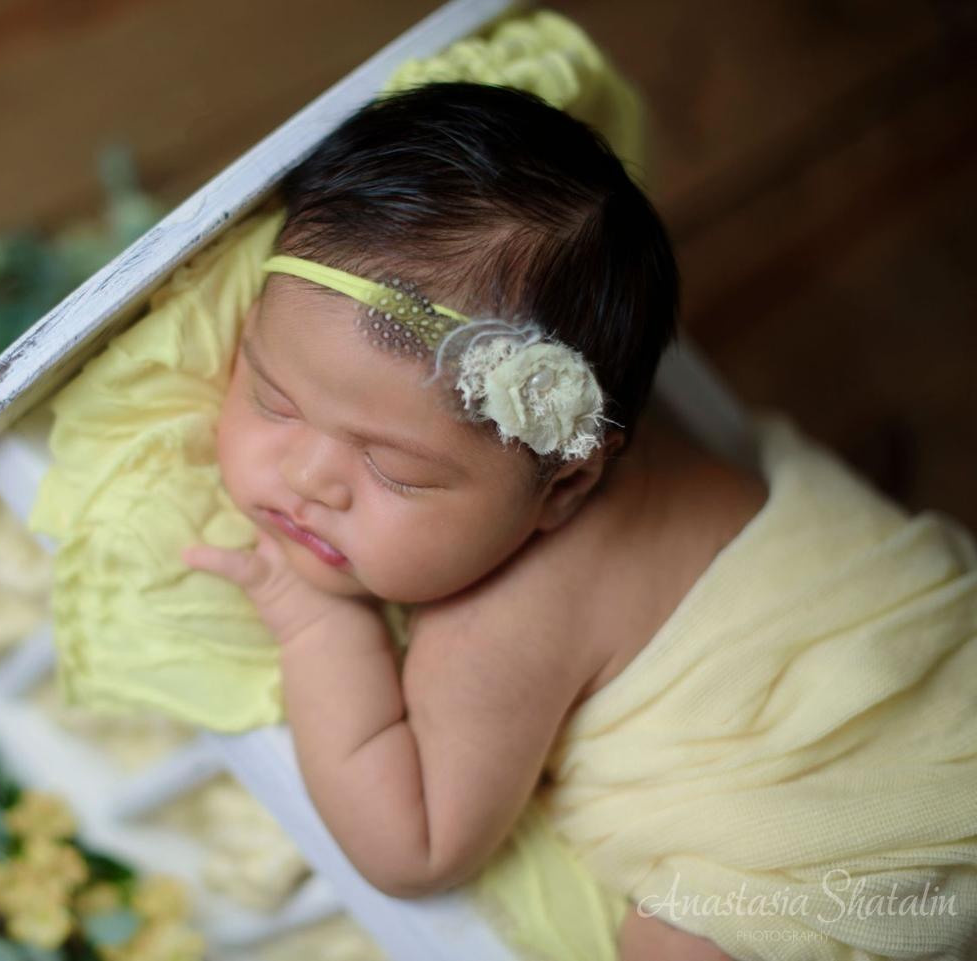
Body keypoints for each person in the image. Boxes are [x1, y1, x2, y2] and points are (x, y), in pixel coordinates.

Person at [182, 80, 758, 961]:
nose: (308, 478)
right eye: (273, 395)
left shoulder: (507, 616)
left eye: (396, 468)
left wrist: (312, 621)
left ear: (562, 489)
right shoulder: (656, 456)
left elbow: (414, 849)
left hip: (862, 799)